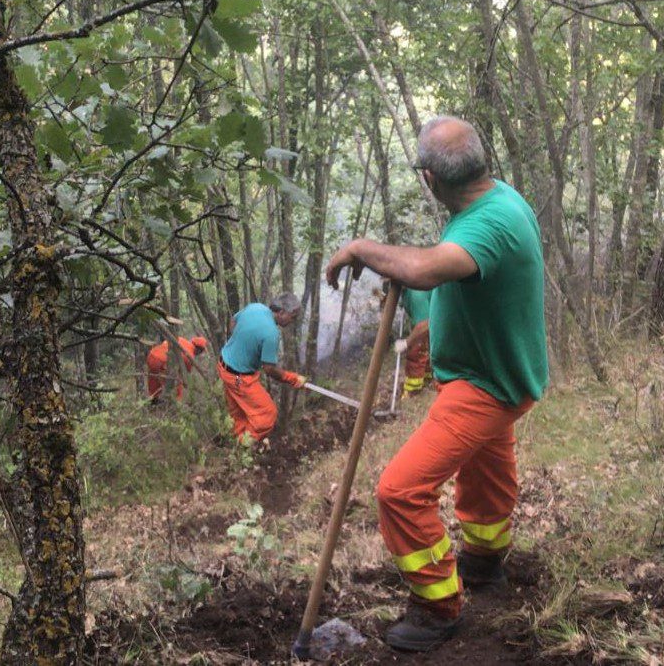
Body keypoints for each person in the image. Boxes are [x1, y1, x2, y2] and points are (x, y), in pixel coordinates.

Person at [325, 115, 548, 652]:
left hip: (485, 384)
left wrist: (361, 248)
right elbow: (433, 265)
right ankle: (485, 561)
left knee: (399, 493)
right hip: (499, 373)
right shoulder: (494, 199)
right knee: (486, 476)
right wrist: (397, 264)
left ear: (429, 179)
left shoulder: (487, 223)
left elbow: (428, 269)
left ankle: (437, 605)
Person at [218, 293, 307, 444]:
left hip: (223, 365)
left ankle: (234, 446)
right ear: (281, 312)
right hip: (239, 378)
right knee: (267, 414)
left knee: (238, 414)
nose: (292, 321)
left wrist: (240, 344)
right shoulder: (272, 333)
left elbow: (233, 321)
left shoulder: (255, 307)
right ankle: (241, 445)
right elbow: (269, 369)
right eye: (292, 317)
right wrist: (293, 378)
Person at [394, 287, 435, 396]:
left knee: (416, 350)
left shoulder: (416, 295)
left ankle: (413, 390)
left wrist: (406, 343)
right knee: (427, 349)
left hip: (431, 323)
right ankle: (428, 379)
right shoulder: (406, 289)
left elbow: (425, 324)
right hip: (431, 320)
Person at [146, 336, 208, 402]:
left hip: (152, 355)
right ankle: (175, 403)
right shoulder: (190, 356)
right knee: (177, 383)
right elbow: (185, 374)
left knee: (154, 378)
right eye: (201, 351)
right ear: (199, 350)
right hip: (161, 362)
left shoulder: (180, 338)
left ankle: (153, 399)